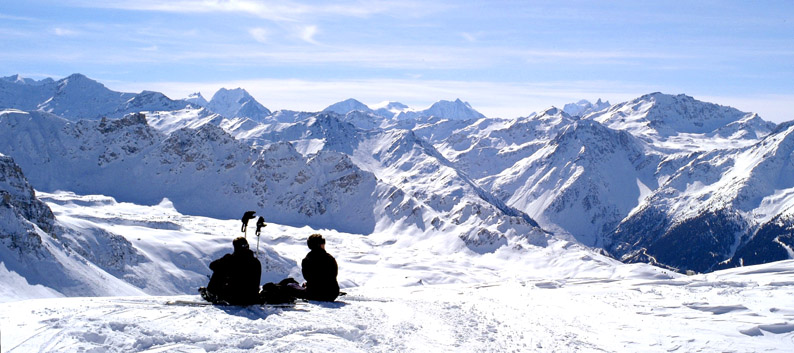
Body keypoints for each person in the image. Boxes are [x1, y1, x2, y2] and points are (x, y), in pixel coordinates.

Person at [201, 237, 262, 305]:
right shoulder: (256, 262)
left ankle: (211, 293)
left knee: (219, 270)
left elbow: (212, 265)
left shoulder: (230, 259)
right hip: (252, 298)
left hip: (234, 298)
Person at [300, 234, 340, 301]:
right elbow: (333, 275)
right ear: (320, 245)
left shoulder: (306, 260)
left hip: (314, 294)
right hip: (332, 293)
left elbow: (307, 277)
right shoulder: (330, 258)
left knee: (290, 285)